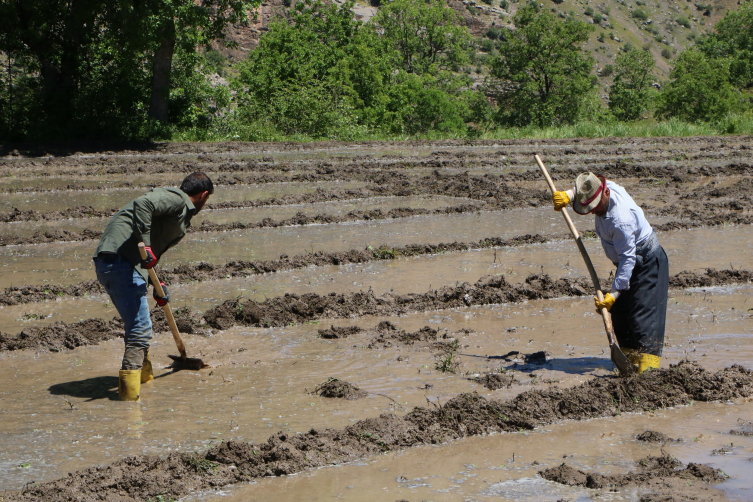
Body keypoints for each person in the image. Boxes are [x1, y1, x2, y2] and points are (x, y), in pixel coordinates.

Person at [93, 172, 213, 400]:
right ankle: (128, 401)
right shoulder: (177, 199)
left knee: (138, 325)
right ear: (204, 195)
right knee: (140, 329)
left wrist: (157, 284)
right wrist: (146, 246)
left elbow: (146, 256)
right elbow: (143, 203)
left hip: (118, 262)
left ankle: (144, 379)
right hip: (120, 261)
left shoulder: (178, 208)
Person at [552, 172, 669, 373]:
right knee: (621, 315)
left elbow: (628, 259)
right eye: (590, 206)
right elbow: (588, 184)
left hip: (647, 263)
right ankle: (629, 362)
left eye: (596, 205)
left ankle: (648, 371)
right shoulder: (607, 187)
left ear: (606, 193)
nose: (594, 210)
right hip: (627, 262)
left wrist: (614, 295)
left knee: (643, 317)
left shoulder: (620, 220)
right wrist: (569, 194)